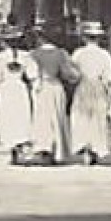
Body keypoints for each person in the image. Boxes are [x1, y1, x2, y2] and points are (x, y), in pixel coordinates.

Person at [0, 26, 39, 165]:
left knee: (8, 118)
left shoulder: (0, 57)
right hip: (19, 89)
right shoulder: (26, 56)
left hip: (6, 89)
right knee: (20, 118)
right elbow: (33, 75)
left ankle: (13, 149)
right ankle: (19, 146)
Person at [28, 27, 80, 165]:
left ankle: (44, 149)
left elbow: (31, 73)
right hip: (56, 86)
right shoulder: (61, 54)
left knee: (42, 119)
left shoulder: (34, 54)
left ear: (41, 38)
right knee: (57, 118)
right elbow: (68, 73)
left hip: (41, 87)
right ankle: (58, 150)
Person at [69, 22, 111, 165]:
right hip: (98, 87)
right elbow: (109, 77)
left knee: (82, 118)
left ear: (84, 38)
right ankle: (97, 147)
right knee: (98, 118)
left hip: (83, 86)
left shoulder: (78, 54)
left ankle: (85, 147)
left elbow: (73, 74)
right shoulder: (105, 55)